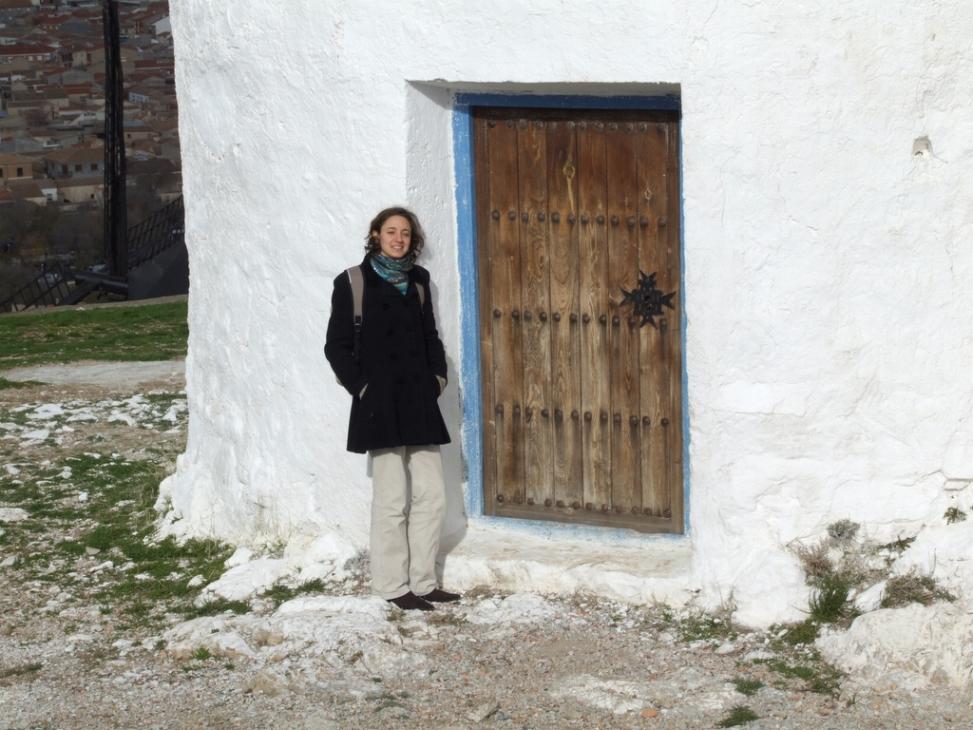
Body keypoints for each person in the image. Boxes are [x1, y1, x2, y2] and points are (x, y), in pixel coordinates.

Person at [325, 206, 460, 611]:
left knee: (433, 495)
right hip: (379, 403)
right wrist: (363, 388)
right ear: (376, 235)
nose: (398, 239)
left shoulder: (419, 280)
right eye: (391, 232)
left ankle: (423, 581)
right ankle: (391, 584)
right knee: (391, 498)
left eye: (405, 233)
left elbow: (430, 336)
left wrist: (437, 379)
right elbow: (336, 346)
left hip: (419, 399)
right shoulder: (353, 281)